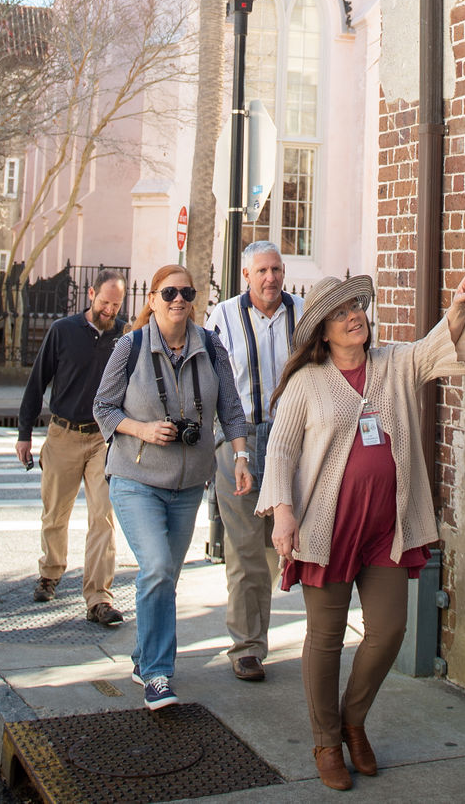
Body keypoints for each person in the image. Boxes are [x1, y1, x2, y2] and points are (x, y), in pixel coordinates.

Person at [258, 263, 465, 792]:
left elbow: (433, 348)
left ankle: (352, 718)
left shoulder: (391, 365)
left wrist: (459, 308)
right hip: (327, 531)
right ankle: (325, 740)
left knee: (389, 632)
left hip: (388, 529)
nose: (353, 317)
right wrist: (283, 511)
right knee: (327, 639)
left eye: (356, 308)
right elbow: (282, 449)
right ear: (323, 332)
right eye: (340, 314)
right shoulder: (307, 383)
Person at [93, 264, 251, 711]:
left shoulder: (211, 345)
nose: (178, 299)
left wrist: (240, 456)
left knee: (164, 577)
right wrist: (142, 430)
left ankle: (144, 658)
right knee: (158, 569)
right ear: (152, 299)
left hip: (187, 486)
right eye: (168, 293)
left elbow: (232, 410)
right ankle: (159, 675)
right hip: (136, 479)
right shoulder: (132, 345)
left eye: (186, 292)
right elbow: (102, 407)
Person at [204, 240, 304, 681]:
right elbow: (206, 379)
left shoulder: (304, 312)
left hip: (295, 443)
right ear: (246, 275)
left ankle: (320, 636)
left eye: (277, 269)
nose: (271, 278)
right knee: (245, 548)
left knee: (300, 540)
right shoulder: (222, 317)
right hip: (238, 440)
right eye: (262, 271)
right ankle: (247, 647)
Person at [15, 269, 128, 625]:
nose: (109, 310)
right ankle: (50, 572)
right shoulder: (62, 331)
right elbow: (38, 382)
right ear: (91, 294)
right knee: (55, 512)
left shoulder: (124, 337)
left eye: (116, 304)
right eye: (104, 302)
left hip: (103, 439)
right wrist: (24, 433)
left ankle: (98, 597)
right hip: (62, 433)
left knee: (103, 518)